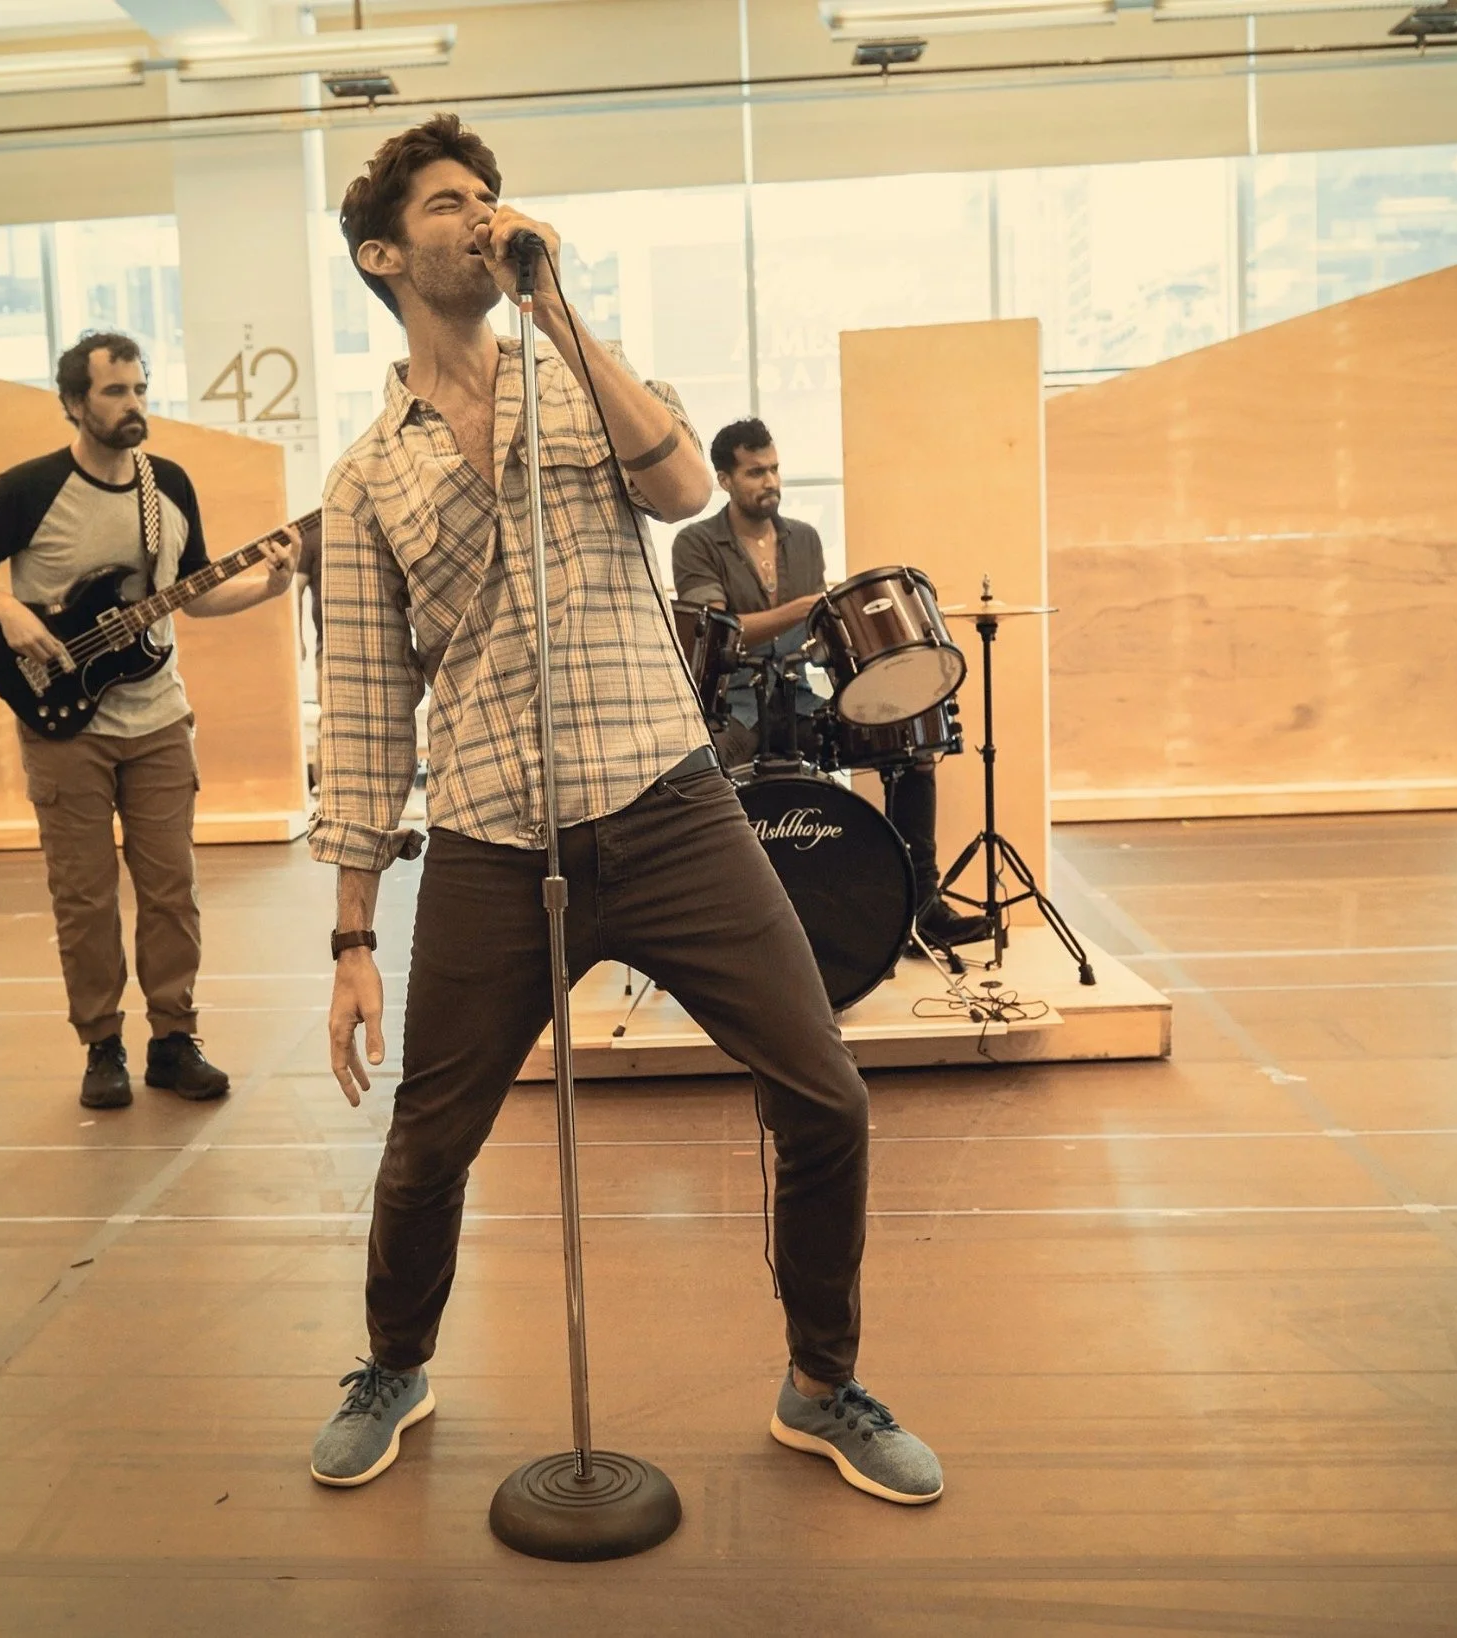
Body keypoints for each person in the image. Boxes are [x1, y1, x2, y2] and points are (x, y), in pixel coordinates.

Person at [306, 115, 942, 1505]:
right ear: (383, 251)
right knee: (430, 1140)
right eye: (450, 203)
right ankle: (394, 1361)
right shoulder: (364, 479)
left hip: (664, 799)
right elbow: (360, 713)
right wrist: (351, 934)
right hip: (486, 834)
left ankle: (822, 1384)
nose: (481, 217)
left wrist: (557, 302)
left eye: (491, 199)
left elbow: (679, 481)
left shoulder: (573, 373)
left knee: (825, 1094)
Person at [0, 331, 295, 1110]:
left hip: (159, 717)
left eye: (140, 389)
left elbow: (192, 595)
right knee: (85, 893)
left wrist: (269, 589)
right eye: (115, 392)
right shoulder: (27, 488)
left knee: (172, 888)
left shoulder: (166, 484)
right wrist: (8, 611)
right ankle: (101, 1044)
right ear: (75, 402)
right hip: (61, 720)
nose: (134, 403)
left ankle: (174, 1038)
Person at [671, 419, 989, 947]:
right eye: (755, 472)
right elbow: (722, 636)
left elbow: (819, 639)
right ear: (724, 480)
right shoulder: (697, 542)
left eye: (774, 468)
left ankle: (922, 908)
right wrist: (804, 608)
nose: (769, 481)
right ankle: (708, 930)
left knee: (911, 749)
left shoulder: (805, 539)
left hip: (800, 698)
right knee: (697, 780)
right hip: (737, 708)